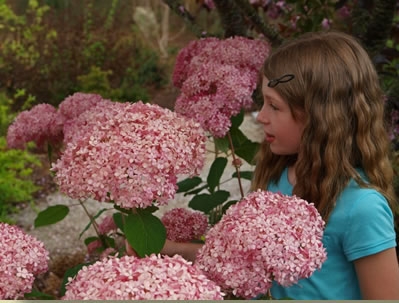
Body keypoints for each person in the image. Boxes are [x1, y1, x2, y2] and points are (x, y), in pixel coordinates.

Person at [126, 31, 399, 300]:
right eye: (262, 103)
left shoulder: (362, 208)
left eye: (274, 106)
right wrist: (170, 249)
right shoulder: (278, 178)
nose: (261, 117)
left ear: (320, 117)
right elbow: (239, 266)